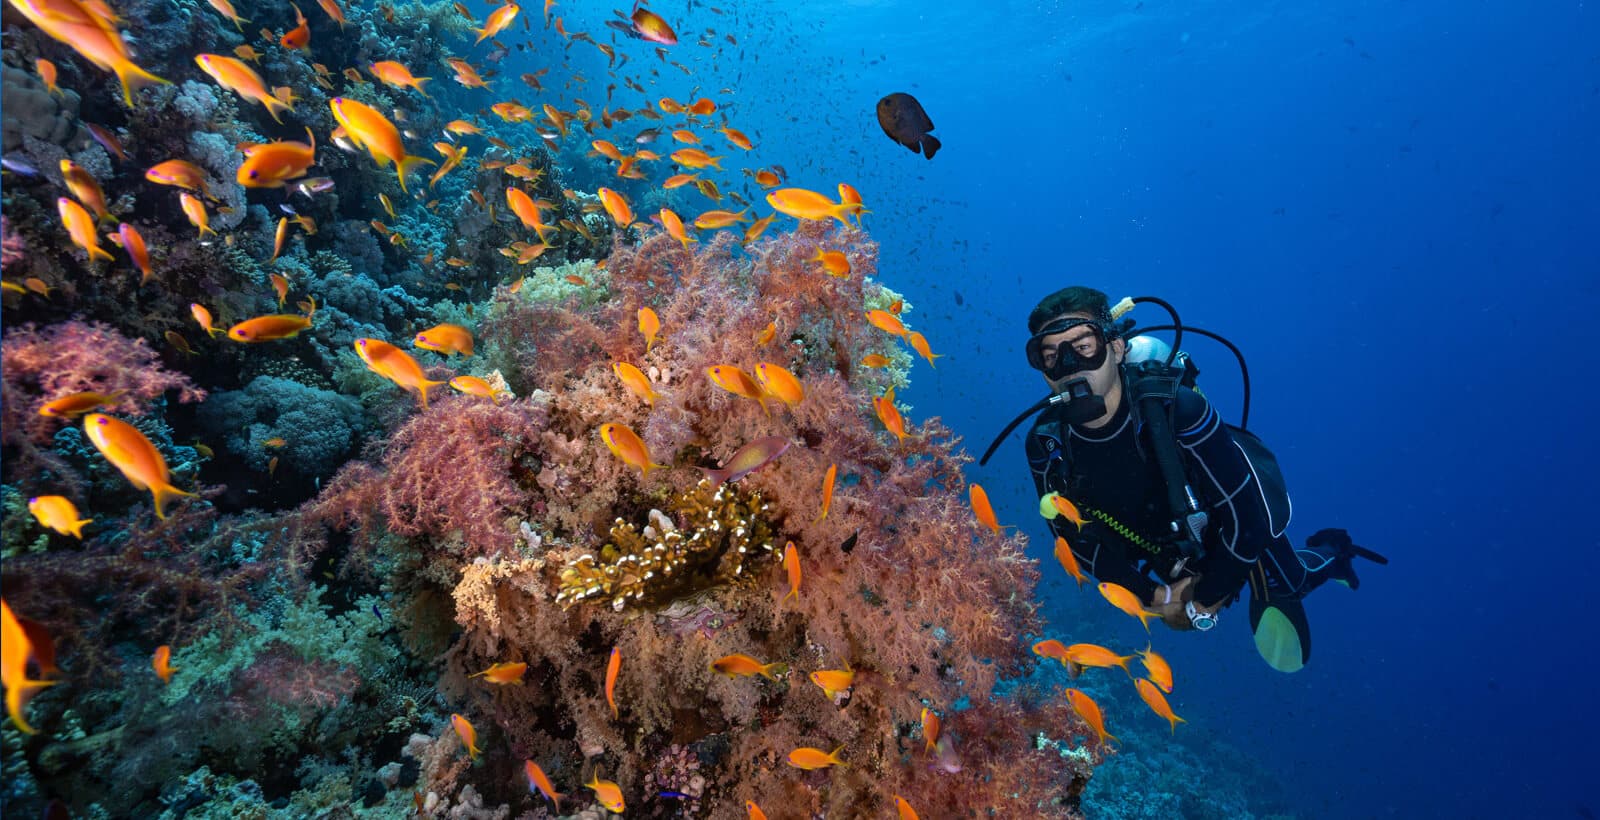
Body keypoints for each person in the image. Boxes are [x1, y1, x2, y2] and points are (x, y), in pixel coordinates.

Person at [1018, 286, 1386, 672]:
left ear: (1116, 347)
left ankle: (1334, 552)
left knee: (1290, 582)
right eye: (1049, 355)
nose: (1069, 365)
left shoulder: (1178, 408)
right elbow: (1071, 540)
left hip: (1223, 525)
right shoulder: (1046, 443)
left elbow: (1248, 517)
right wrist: (1153, 595)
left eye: (1084, 345)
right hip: (1156, 545)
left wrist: (1204, 598)